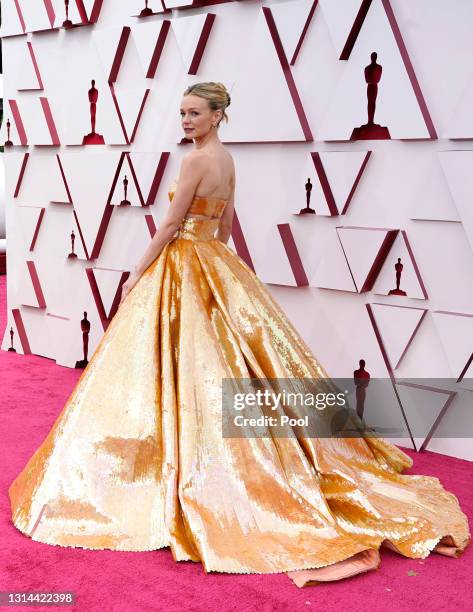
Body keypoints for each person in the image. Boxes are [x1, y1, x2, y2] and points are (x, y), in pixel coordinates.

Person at [8, 82, 470, 586]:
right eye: (182, 112)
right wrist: (221, 266)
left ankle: (189, 466)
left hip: (183, 262)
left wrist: (138, 275)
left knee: (184, 365)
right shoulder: (227, 160)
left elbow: (168, 226)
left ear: (216, 115)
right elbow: (226, 223)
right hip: (214, 261)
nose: (185, 120)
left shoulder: (194, 163)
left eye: (194, 113)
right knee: (224, 363)